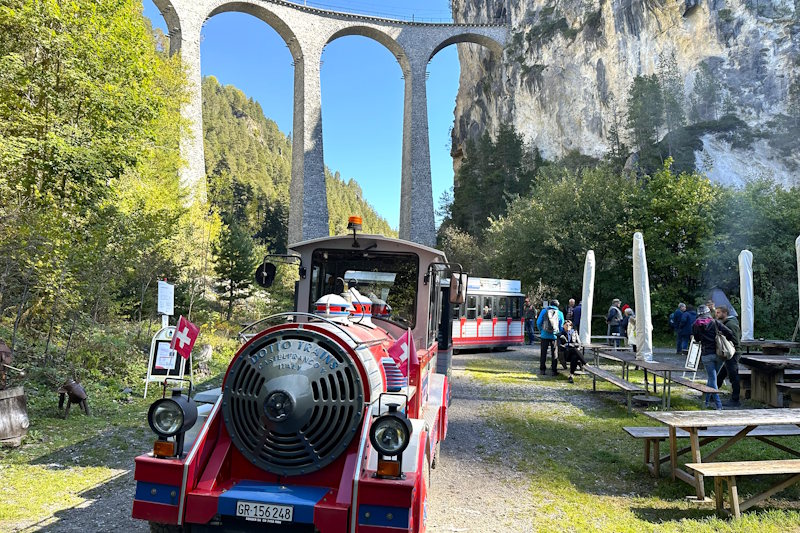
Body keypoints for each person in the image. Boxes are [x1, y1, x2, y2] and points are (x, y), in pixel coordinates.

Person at [692, 305, 735, 410]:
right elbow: (730, 333)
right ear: (708, 313)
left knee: (712, 379)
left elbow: (697, 339)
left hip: (706, 355)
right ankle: (706, 402)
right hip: (719, 354)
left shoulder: (695, 325)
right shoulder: (715, 322)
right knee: (712, 379)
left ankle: (718, 405)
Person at [715, 305, 741, 407]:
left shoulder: (731, 324)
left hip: (733, 353)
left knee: (733, 376)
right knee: (721, 375)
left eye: (718, 312)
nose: (716, 314)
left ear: (725, 313)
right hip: (729, 353)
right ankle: (712, 394)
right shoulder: (727, 323)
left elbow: (735, 341)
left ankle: (735, 399)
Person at [537, 299, 564, 376]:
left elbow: (538, 322)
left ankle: (542, 370)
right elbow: (561, 326)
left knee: (543, 352)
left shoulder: (544, 311)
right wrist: (558, 332)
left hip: (544, 335)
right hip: (554, 336)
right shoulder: (560, 313)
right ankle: (554, 371)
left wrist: (541, 330)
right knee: (554, 353)